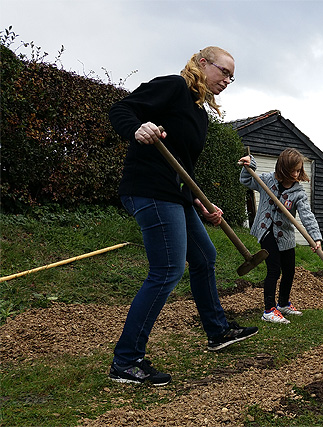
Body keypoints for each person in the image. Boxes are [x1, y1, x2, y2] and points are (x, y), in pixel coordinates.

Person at [108, 46, 258, 386]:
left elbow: (183, 169)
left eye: (232, 77)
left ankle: (218, 331)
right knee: (167, 270)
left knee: (205, 256)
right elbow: (122, 109)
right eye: (224, 72)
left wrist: (198, 202)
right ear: (202, 64)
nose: (227, 80)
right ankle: (127, 360)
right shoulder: (173, 87)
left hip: (176, 196)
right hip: (149, 190)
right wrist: (137, 128)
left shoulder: (199, 114)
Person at [238, 148, 323, 324]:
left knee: (289, 270)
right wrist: (250, 163)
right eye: (293, 170)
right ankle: (269, 310)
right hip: (265, 230)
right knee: (274, 269)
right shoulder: (268, 180)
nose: (296, 173)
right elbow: (246, 179)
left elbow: (307, 215)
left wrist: (316, 237)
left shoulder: (298, 193)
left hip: (285, 235)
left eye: (299, 170)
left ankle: (283, 303)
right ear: (282, 169)